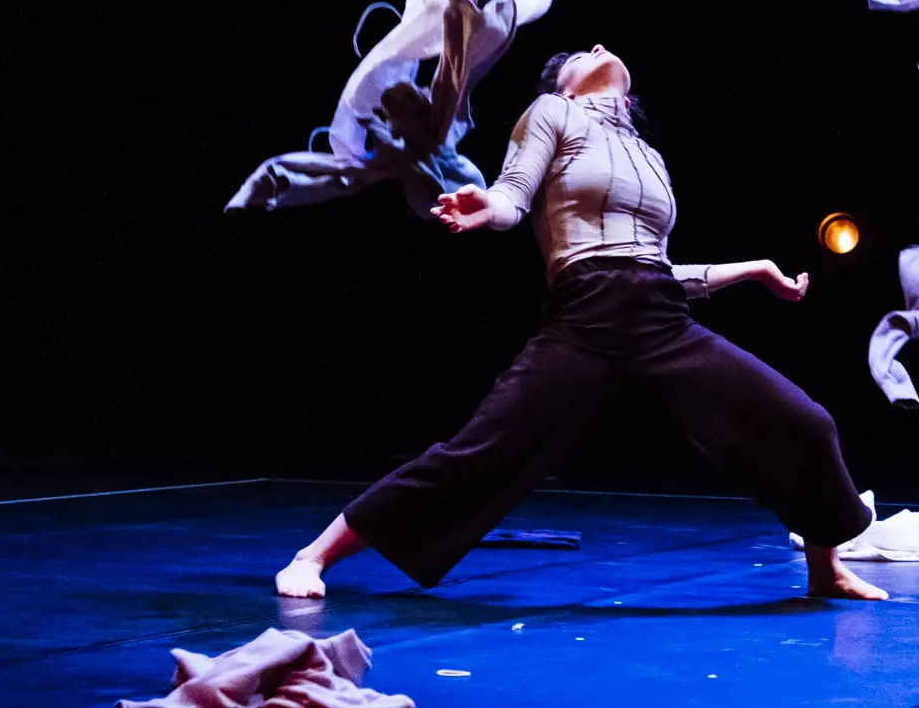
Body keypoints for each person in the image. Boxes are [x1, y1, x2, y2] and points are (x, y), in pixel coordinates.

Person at [274, 44, 886, 601]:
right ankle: (315, 555)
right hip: (585, 316)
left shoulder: (650, 155)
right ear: (565, 87)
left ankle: (823, 568)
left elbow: (659, 266)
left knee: (803, 423)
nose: (596, 47)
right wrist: (485, 206)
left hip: (659, 319)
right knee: (477, 453)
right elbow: (514, 195)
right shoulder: (553, 113)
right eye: (576, 54)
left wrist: (752, 270)